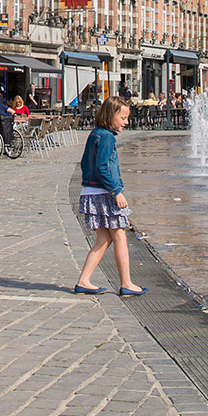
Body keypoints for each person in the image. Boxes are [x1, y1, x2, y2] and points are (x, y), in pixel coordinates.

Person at [73, 98, 143, 297]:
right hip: (104, 193)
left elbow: (86, 164)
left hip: (91, 191)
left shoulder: (95, 134)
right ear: (110, 116)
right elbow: (102, 167)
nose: (126, 122)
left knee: (104, 239)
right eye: (122, 118)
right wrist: (116, 191)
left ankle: (83, 281)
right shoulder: (107, 137)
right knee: (119, 235)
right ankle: (126, 283)